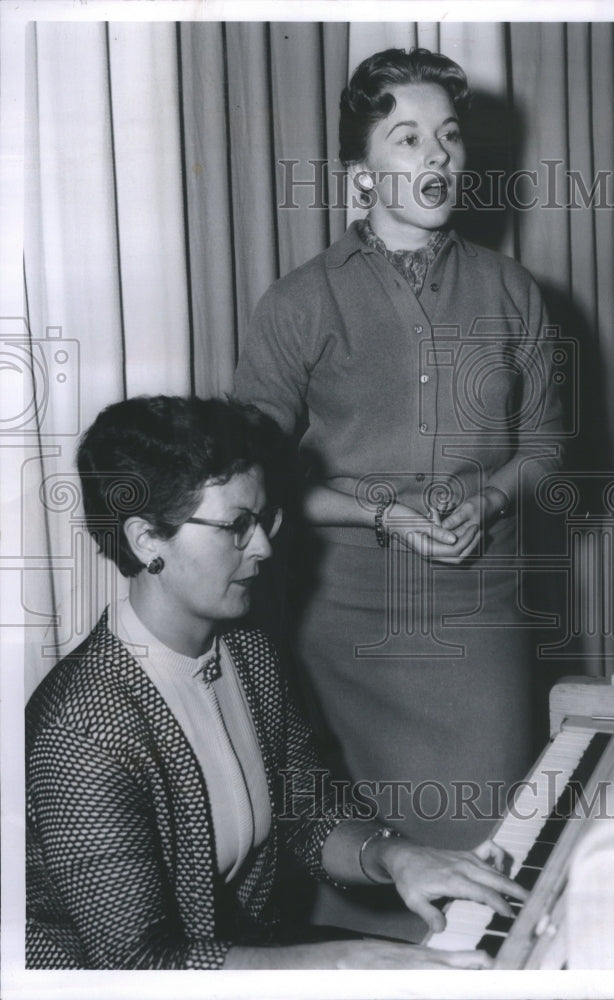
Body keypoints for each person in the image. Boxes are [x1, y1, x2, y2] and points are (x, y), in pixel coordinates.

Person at [25, 395, 527, 970]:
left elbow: (305, 813)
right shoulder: (82, 728)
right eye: (236, 526)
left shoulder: (246, 649)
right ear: (146, 540)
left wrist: (396, 855)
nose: (262, 547)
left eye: (264, 520)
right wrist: (339, 962)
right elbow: (139, 965)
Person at [234, 46, 564, 870]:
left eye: (449, 138)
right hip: (338, 622)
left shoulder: (512, 290)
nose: (439, 158)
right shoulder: (300, 302)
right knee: (349, 849)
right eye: (410, 139)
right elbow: (248, 480)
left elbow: (549, 447)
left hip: (477, 613)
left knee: (485, 850)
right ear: (362, 172)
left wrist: (487, 503)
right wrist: (380, 512)